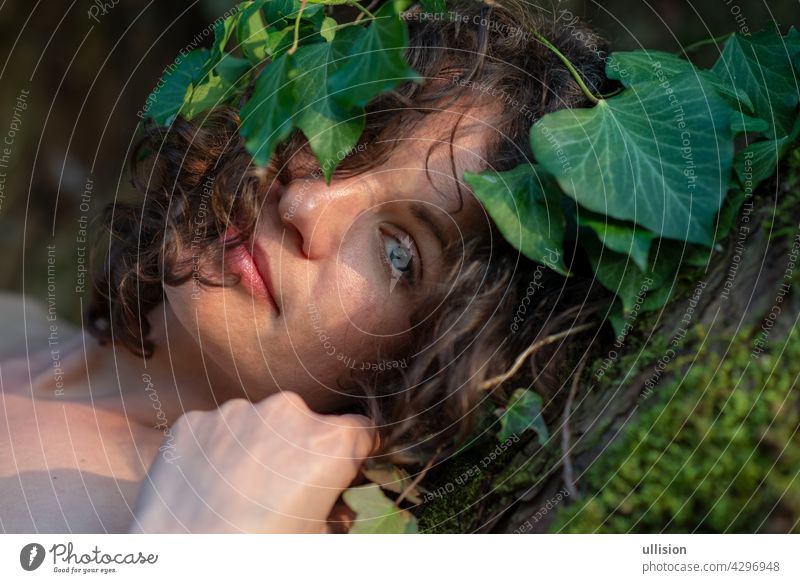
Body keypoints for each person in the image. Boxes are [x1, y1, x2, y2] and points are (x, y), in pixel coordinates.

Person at [0, 0, 612, 533]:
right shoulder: (17, 324)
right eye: (346, 132)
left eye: (398, 252)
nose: (305, 204)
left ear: (438, 361)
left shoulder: (194, 528)